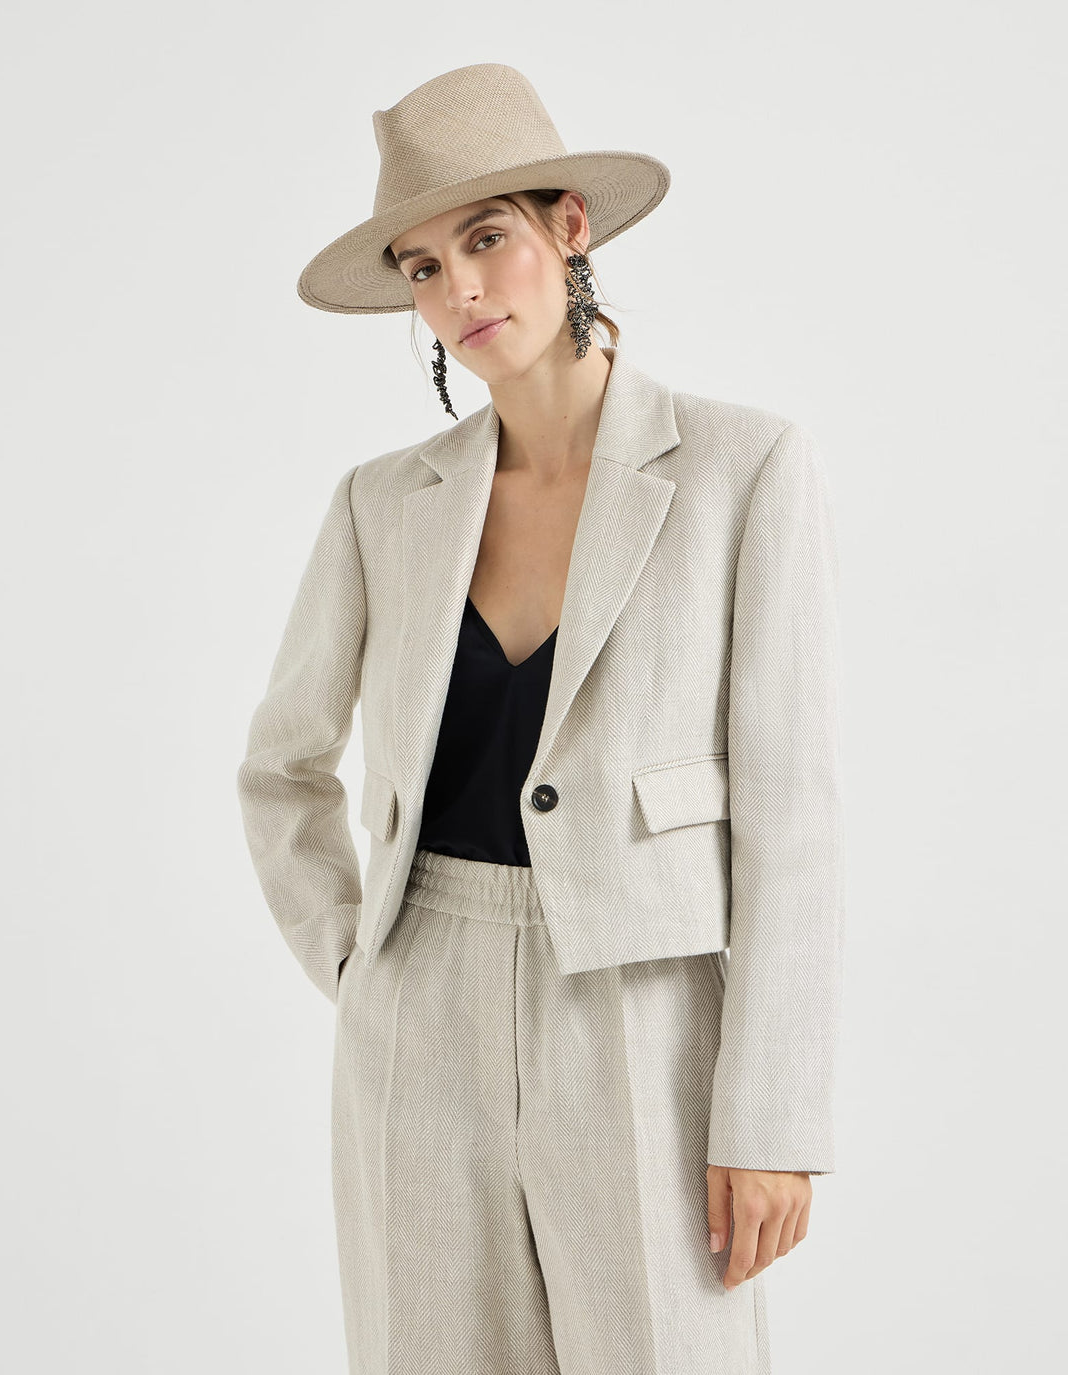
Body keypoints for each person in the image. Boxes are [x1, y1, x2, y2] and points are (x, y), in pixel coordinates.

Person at [236, 62, 845, 1375]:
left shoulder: (745, 469)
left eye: (486, 238)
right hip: (420, 1009)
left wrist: (772, 1112)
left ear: (572, 230)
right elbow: (280, 768)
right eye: (420, 266)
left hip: (640, 1011)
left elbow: (792, 812)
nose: (457, 291)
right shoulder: (380, 504)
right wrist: (360, 967)